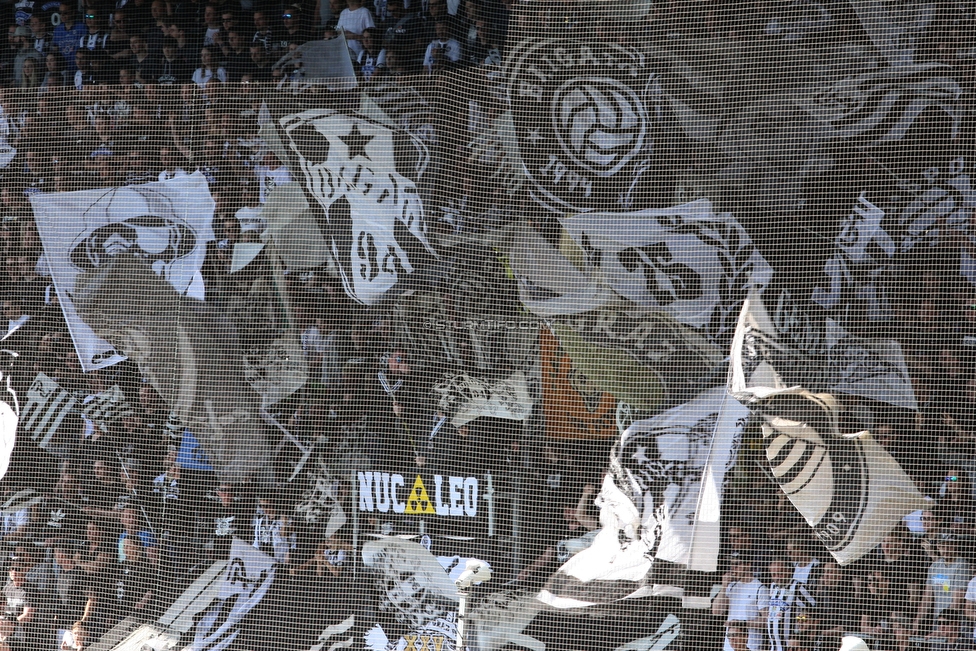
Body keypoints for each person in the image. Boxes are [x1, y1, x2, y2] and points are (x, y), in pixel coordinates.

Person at [712, 555, 769, 651]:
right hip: (729, 645)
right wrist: (724, 586)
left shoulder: (760, 588)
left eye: (737, 564)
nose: (734, 568)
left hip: (751, 645)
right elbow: (716, 611)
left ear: (748, 565)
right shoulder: (731, 586)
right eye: (731, 565)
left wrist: (742, 624)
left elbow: (767, 620)